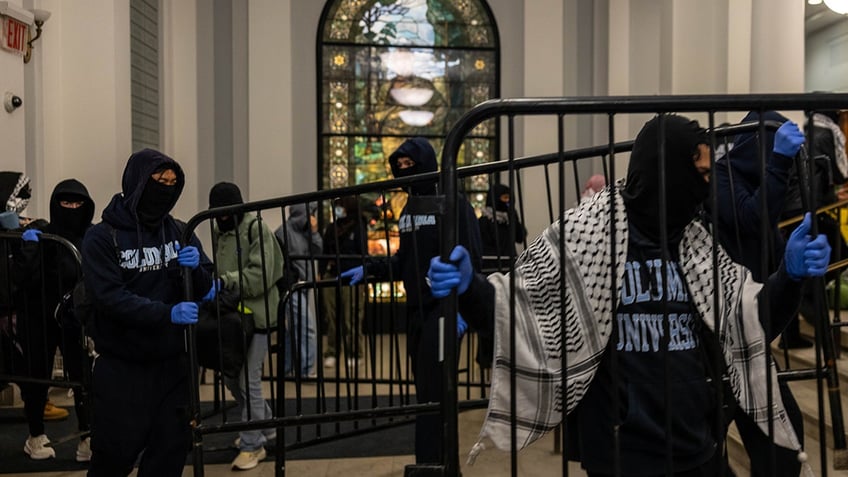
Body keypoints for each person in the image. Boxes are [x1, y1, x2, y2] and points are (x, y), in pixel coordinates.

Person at [428, 115, 830, 476]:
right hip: (621, 455)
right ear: (668, 171)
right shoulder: (586, 233)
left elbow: (751, 323)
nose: (708, 188)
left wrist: (789, 277)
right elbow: (520, 310)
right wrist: (470, 288)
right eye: (702, 175)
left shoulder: (698, 244)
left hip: (698, 449)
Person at [341, 137, 483, 465]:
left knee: (436, 397)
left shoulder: (453, 202)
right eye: (400, 165)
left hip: (445, 310)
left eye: (410, 164)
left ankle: (435, 466)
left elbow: (471, 256)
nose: (405, 170)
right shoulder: (408, 210)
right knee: (426, 396)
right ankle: (433, 464)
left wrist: (464, 306)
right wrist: (370, 268)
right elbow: (406, 261)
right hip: (415, 311)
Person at [82, 149, 215, 477]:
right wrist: (166, 313)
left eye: (172, 183)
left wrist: (197, 270)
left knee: (169, 454)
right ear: (138, 182)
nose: (166, 189)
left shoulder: (180, 231)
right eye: (159, 181)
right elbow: (109, 297)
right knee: (114, 456)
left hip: (172, 365)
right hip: (122, 366)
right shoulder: (102, 237)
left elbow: (206, 289)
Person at [713, 111, 810, 477]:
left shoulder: (762, 189)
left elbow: (767, 252)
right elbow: (749, 218)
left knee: (785, 449)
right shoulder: (722, 177)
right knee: (704, 456)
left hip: (748, 344)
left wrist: (792, 270)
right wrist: (780, 165)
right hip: (711, 347)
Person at [12, 179, 95, 461]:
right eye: (65, 203)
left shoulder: (91, 236)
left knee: (82, 377)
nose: (71, 209)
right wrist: (30, 248)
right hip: (37, 317)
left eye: (77, 204)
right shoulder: (42, 233)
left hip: (75, 319)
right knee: (37, 378)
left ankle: (87, 437)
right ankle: (35, 435)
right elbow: (23, 278)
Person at [209, 181, 284, 470]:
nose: (224, 216)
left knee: (247, 380)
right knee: (232, 378)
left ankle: (254, 445)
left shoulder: (256, 228)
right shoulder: (221, 231)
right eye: (218, 211)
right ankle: (265, 429)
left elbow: (261, 275)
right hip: (235, 317)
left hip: (259, 317)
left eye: (229, 210)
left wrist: (225, 281)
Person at [320, 196, 368, 369]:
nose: (338, 210)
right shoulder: (332, 228)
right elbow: (325, 251)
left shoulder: (359, 227)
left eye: (341, 207)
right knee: (332, 317)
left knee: (352, 317)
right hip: (331, 276)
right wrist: (321, 271)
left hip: (352, 278)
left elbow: (363, 252)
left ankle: (355, 353)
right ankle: (332, 351)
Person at [275, 202, 322, 378]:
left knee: (293, 329)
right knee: (305, 328)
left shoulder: (307, 231)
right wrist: (292, 279)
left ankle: (287, 368)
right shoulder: (283, 232)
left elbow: (318, 250)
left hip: (303, 285)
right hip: (292, 286)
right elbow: (280, 261)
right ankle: (305, 370)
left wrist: (315, 232)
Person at [478, 183, 526, 273]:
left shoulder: (509, 218)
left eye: (509, 198)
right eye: (505, 198)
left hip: (510, 266)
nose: (508, 201)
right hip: (492, 268)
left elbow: (520, 237)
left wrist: (514, 218)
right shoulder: (484, 221)